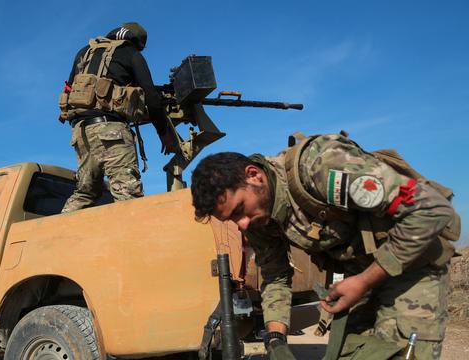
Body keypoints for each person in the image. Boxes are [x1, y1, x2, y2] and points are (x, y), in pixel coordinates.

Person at [190, 133, 460, 359]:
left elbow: (432, 210)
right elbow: (275, 275)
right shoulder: (258, 219)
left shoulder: (320, 165)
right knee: (358, 353)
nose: (244, 223)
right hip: (359, 276)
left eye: (240, 209)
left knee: (401, 352)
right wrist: (276, 341)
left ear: (254, 176)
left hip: (414, 264)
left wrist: (364, 281)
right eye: (233, 218)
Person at [59, 22, 177, 213]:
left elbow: (70, 89)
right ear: (135, 41)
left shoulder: (85, 52)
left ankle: (57, 236)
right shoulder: (130, 53)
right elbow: (152, 99)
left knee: (85, 193)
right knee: (127, 194)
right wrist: (164, 134)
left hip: (81, 132)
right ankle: (131, 242)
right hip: (110, 130)